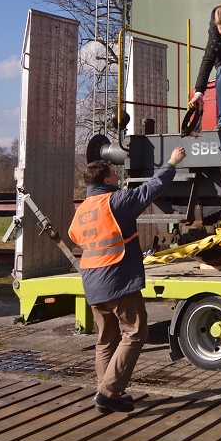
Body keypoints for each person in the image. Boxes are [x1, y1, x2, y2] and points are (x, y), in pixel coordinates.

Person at [68, 146, 186, 414]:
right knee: (135, 332)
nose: (117, 176)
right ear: (106, 179)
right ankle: (109, 393)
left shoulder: (82, 210)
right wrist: (172, 163)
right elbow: (150, 189)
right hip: (117, 279)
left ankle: (107, 393)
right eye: (114, 173)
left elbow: (74, 235)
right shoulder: (116, 202)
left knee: (106, 341)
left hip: (92, 282)